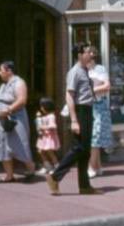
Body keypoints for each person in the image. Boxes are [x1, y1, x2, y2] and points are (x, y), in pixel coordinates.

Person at [46, 44, 99, 195]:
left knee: (86, 150)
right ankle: (55, 176)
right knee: (79, 148)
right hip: (80, 110)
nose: (91, 54)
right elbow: (69, 95)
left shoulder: (85, 70)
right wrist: (75, 120)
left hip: (87, 110)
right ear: (80, 55)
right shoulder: (74, 72)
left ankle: (84, 186)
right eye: (88, 52)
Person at [0, 61, 36, 183]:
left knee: (21, 143)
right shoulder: (3, 86)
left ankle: (31, 169)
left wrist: (9, 110)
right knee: (3, 146)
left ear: (9, 71)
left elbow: (22, 100)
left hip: (15, 117)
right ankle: (9, 175)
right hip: (1, 118)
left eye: (1, 70)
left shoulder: (19, 82)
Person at [86, 46, 113, 178]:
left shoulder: (100, 69)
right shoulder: (82, 69)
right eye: (88, 56)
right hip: (87, 106)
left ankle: (92, 166)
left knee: (95, 137)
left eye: (92, 57)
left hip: (98, 105)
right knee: (92, 137)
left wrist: (92, 91)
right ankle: (98, 166)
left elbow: (107, 86)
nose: (90, 59)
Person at [35, 98, 60, 176]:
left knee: (50, 152)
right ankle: (47, 167)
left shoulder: (51, 116)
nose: (41, 108)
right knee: (41, 151)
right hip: (43, 137)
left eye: (42, 106)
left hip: (49, 137)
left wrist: (43, 127)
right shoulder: (45, 116)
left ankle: (57, 167)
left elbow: (53, 126)